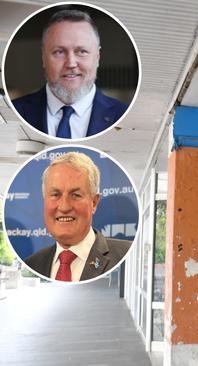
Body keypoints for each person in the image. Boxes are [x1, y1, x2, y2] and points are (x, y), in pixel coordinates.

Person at [11, 9, 128, 139]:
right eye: (59, 52)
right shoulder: (14, 112)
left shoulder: (125, 116)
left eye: (82, 51)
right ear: (43, 58)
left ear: (97, 58)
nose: (71, 63)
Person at [25, 152, 130, 282]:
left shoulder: (128, 255)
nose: (64, 207)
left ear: (94, 202)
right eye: (55, 194)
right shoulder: (32, 263)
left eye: (76, 195)